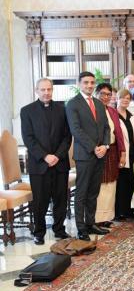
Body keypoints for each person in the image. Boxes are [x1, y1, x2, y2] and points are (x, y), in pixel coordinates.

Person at [20, 78, 72, 245]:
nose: (46, 92)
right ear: (37, 91)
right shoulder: (27, 111)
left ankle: (59, 229)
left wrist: (57, 155)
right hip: (39, 164)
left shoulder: (62, 109)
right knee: (40, 201)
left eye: (49, 89)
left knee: (60, 199)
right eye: (43, 90)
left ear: (52, 90)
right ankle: (39, 232)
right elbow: (28, 138)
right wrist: (45, 156)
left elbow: (67, 136)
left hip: (60, 162)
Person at [66, 71, 110, 241]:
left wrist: (105, 146)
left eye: (92, 82)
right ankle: (81, 228)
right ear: (79, 84)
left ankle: (91, 223)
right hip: (85, 155)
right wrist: (94, 148)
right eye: (86, 82)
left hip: (100, 154)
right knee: (82, 193)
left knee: (93, 191)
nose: (90, 85)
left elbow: (106, 128)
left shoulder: (99, 104)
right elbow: (76, 130)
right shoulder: (73, 104)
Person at [94, 83, 126, 227]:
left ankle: (107, 217)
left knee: (111, 185)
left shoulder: (113, 111)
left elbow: (118, 134)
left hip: (112, 151)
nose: (105, 97)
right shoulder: (92, 110)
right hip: (98, 152)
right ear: (96, 94)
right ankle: (97, 219)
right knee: (100, 186)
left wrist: (123, 153)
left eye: (108, 94)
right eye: (102, 94)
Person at [115, 89, 134, 221]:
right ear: (117, 99)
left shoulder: (131, 115)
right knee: (121, 184)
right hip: (120, 154)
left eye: (128, 98)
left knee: (132, 182)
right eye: (122, 98)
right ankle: (120, 211)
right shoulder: (113, 115)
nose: (125, 100)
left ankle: (129, 210)